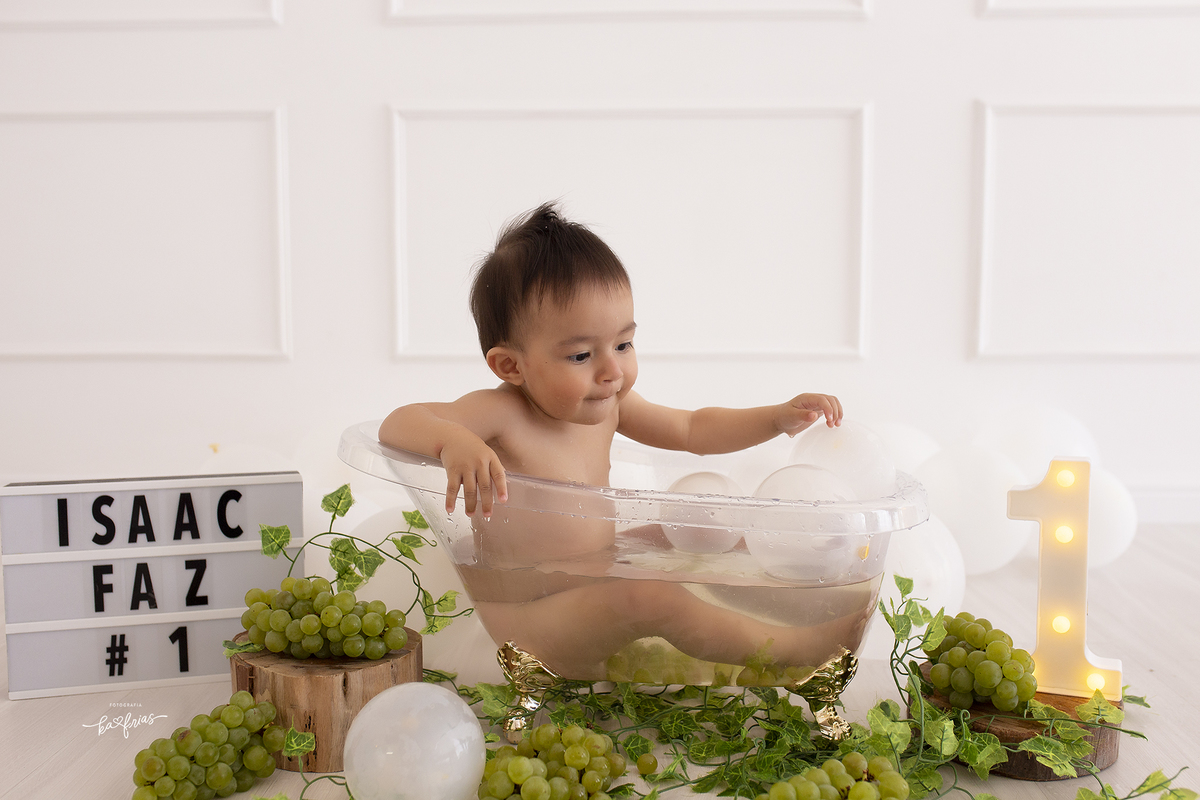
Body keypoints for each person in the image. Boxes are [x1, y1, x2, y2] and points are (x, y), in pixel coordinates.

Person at [379, 202, 860, 680]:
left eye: (624, 345)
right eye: (582, 354)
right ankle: (797, 649)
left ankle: (804, 607)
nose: (612, 371)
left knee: (696, 530)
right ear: (512, 366)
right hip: (530, 618)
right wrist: (452, 442)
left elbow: (693, 429)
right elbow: (399, 422)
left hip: (592, 577)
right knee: (649, 596)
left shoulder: (609, 405)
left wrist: (774, 418)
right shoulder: (503, 413)